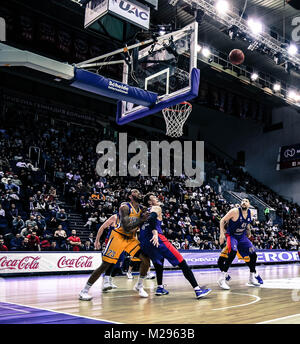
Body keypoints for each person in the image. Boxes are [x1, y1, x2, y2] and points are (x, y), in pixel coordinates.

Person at [79, 189, 150, 301]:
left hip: (131, 239)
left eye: (139, 191)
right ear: (130, 196)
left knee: (146, 259)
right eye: (135, 192)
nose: (139, 193)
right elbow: (126, 227)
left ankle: (139, 285)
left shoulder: (142, 208)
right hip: (118, 237)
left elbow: (151, 211)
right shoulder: (125, 207)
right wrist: (141, 219)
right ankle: (84, 291)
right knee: (105, 265)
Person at [140, 192, 212, 299]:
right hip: (157, 239)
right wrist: (155, 233)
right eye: (154, 197)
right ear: (150, 202)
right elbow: (151, 219)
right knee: (182, 262)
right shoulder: (156, 208)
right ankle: (197, 290)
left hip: (145, 241)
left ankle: (159, 287)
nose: (157, 198)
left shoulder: (143, 212)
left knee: (159, 262)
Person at [218, 199, 263, 289]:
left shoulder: (250, 213)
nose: (243, 202)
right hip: (232, 236)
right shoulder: (234, 211)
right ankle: (222, 279)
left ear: (249, 204)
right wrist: (222, 234)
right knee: (232, 253)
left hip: (242, 237)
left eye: (246, 201)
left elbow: (247, 224)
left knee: (253, 255)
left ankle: (252, 277)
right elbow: (222, 220)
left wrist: (248, 231)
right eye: (242, 201)